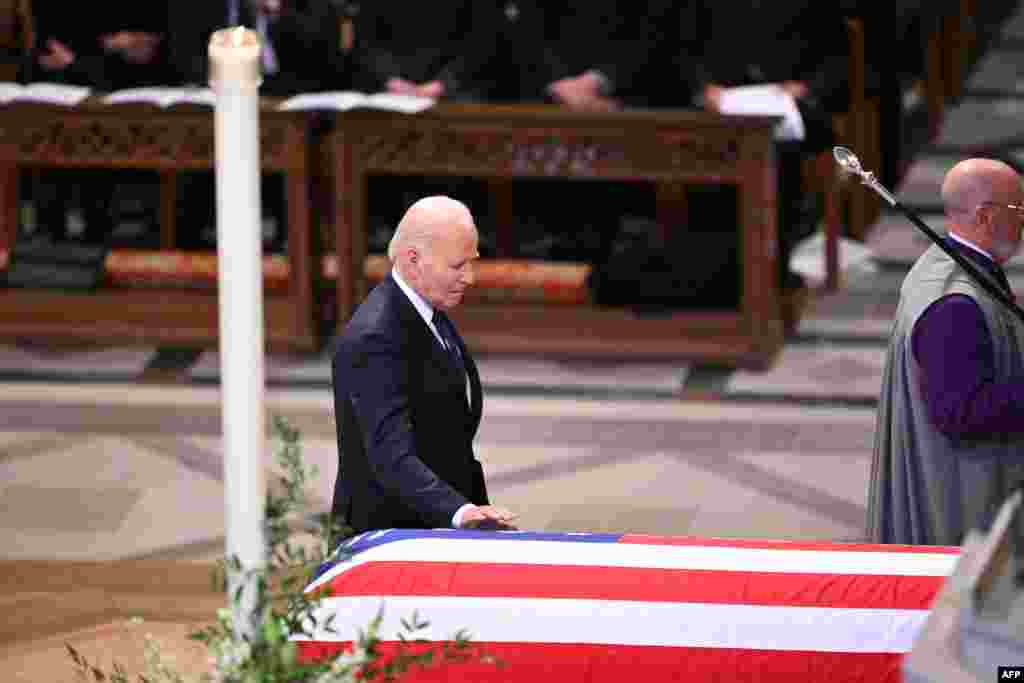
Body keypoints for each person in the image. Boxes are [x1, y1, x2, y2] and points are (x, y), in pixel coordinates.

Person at [330, 196, 518, 534]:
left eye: (471, 263)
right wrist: (460, 513)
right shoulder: (375, 336)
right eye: (458, 266)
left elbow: (452, 438)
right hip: (390, 539)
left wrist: (478, 515)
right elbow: (390, 457)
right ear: (413, 260)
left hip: (438, 527)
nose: (470, 278)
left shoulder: (430, 312)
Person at [868, 158, 1024, 546]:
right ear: (986, 215)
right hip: (962, 499)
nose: (1023, 222)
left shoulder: (950, 262)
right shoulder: (955, 304)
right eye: (1019, 210)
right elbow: (962, 412)